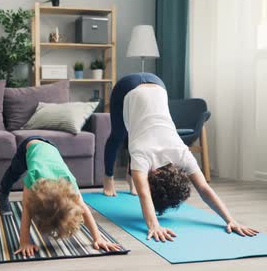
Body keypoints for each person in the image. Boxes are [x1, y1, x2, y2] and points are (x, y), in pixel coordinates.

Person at [103, 73, 258, 242]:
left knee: (133, 135)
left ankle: (129, 176)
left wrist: (231, 220)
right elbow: (144, 194)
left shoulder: (182, 154)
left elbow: (204, 189)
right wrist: (153, 225)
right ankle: (108, 178)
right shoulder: (142, 155)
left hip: (157, 83)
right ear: (152, 175)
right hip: (127, 87)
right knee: (118, 135)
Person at [0, 136, 122, 257]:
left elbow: (83, 209)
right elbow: (27, 210)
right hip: (29, 146)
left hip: (50, 147)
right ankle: (3, 194)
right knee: (13, 174)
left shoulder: (69, 183)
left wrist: (98, 238)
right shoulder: (33, 180)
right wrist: (24, 242)